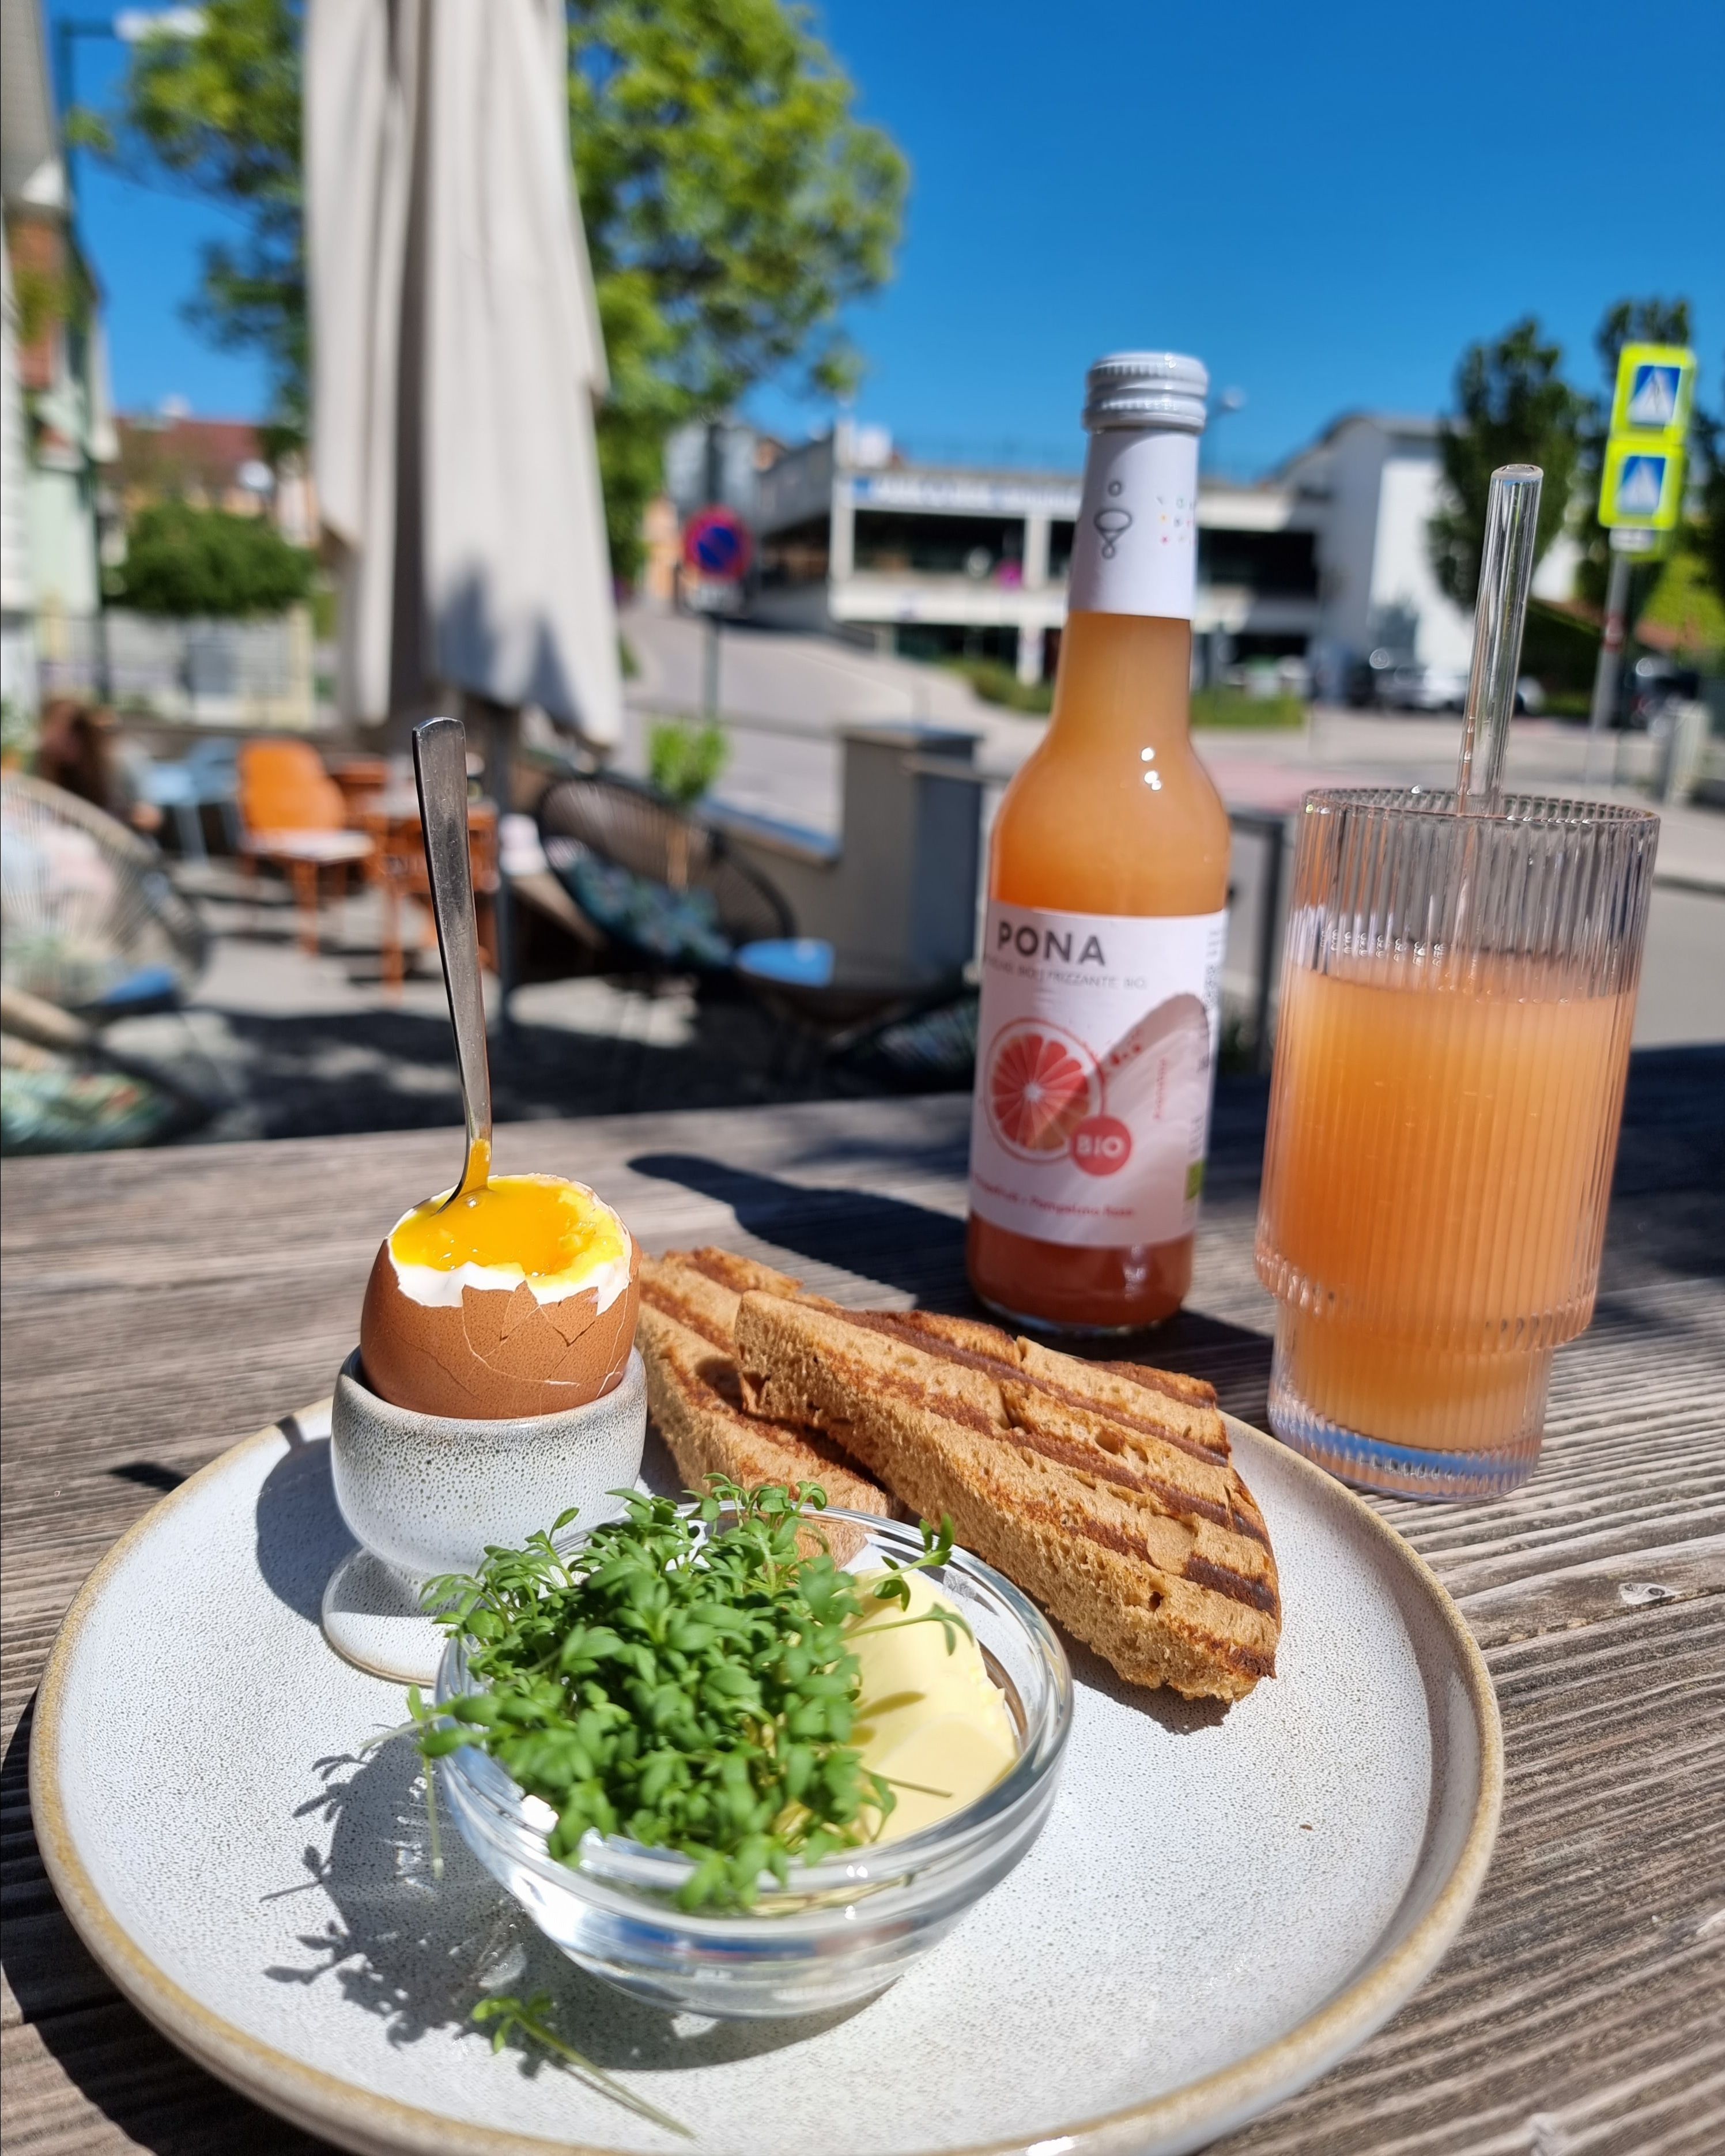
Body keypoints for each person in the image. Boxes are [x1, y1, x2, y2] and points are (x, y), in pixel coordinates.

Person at [34, 700, 164, 836]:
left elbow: (153, 817)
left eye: (67, 738)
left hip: (123, 846)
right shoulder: (60, 769)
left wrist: (135, 815)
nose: (61, 748)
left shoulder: (124, 760)